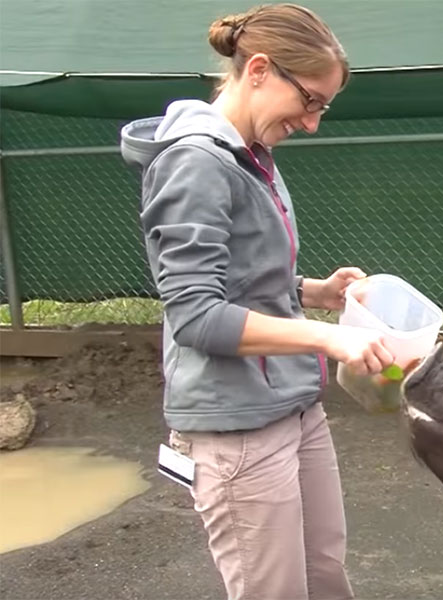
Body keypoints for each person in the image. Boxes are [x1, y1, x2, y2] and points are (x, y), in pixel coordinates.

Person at [120, 4, 393, 598]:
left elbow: (239, 281)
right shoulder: (194, 161)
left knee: (324, 575)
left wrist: (315, 293)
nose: (314, 122)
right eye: (311, 101)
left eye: (325, 106)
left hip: (292, 404)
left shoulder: (252, 155)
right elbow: (195, 313)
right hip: (236, 426)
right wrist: (329, 337)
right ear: (262, 70)